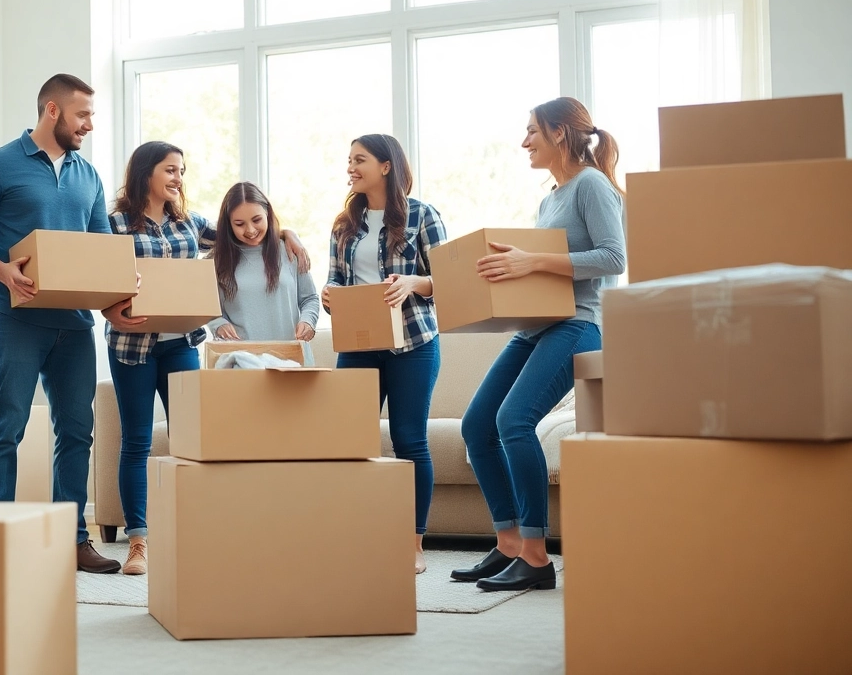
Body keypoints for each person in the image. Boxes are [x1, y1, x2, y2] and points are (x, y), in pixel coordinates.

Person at [105, 145, 310, 576]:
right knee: (137, 442)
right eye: (171, 170)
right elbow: (98, 279)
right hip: (132, 346)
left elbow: (245, 235)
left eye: (182, 170)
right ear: (146, 173)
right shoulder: (115, 224)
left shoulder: (190, 223)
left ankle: (193, 531)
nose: (179, 177)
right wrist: (109, 312)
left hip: (180, 343)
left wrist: (286, 232)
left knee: (189, 440)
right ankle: (139, 542)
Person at [454, 97, 626, 592]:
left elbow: (613, 257)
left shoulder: (592, 184)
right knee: (476, 425)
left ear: (559, 134)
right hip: (536, 325)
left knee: (514, 420)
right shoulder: (550, 197)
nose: (524, 141)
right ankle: (508, 543)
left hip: (578, 324)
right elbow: (540, 267)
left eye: (531, 131)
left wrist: (532, 263)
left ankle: (536, 556)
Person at [0, 73, 121, 573]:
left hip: (74, 323)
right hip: (15, 318)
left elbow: (101, 253)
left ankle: (72, 539)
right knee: (8, 425)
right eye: (83, 115)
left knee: (77, 430)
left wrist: (115, 301)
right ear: (52, 110)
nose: (89, 124)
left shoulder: (88, 175)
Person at [320, 133, 446, 575]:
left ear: (386, 166)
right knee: (348, 442)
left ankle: (412, 543)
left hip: (413, 343)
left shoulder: (422, 216)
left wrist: (415, 283)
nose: (350, 167)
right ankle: (357, 534)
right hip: (360, 345)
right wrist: (329, 297)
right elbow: (334, 281)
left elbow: (449, 283)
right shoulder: (344, 225)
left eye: (360, 160)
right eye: (349, 160)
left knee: (409, 440)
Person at [208, 181, 320, 359]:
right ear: (229, 224)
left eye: (256, 220)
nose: (250, 230)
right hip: (242, 362)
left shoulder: (291, 250)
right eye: (239, 224)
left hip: (292, 359)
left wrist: (308, 322)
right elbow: (209, 310)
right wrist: (218, 324)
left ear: (267, 213)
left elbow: (309, 298)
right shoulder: (217, 261)